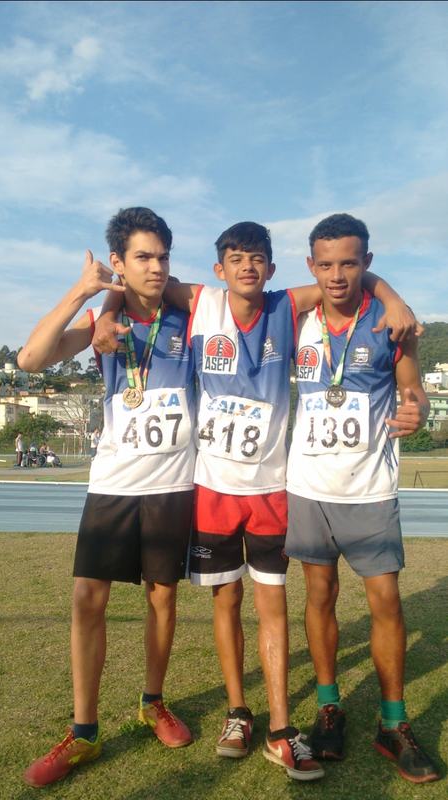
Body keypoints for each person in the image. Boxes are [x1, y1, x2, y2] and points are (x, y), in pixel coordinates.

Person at [92, 220, 417, 782]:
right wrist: (104, 312)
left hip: (271, 489)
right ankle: (238, 713)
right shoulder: (201, 301)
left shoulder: (287, 305)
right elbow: (137, 283)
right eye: (236, 259)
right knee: (226, 601)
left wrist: (391, 296)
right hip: (213, 487)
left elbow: (347, 276)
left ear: (271, 268)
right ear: (220, 268)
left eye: (257, 258)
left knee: (273, 604)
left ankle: (282, 728)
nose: (247, 267)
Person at [18, 206, 196, 787]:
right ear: (118, 261)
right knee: (87, 599)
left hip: (171, 484)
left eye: (162, 256)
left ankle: (153, 703)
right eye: (143, 257)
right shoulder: (102, 320)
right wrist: (85, 291)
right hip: (114, 484)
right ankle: (84, 731)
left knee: (162, 599)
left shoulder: (190, 317)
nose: (156, 267)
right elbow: (30, 359)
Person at [285, 213, 440, 784]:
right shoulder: (295, 320)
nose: (337, 275)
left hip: (370, 489)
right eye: (325, 264)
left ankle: (392, 723)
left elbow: (414, 393)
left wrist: (416, 411)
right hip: (308, 488)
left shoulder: (389, 325)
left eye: (349, 263)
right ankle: (330, 708)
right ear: (311, 266)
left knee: (386, 603)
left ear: (367, 263)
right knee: (319, 596)